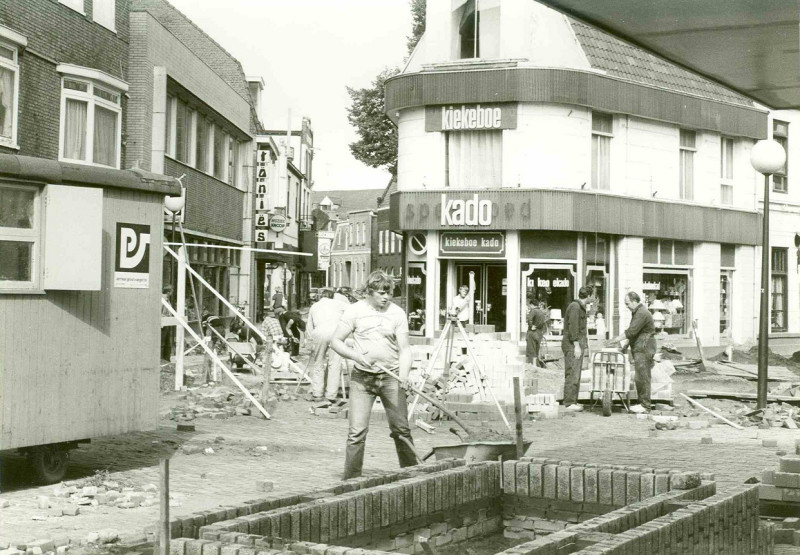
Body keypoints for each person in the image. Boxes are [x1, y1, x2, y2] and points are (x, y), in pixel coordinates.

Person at [330, 270, 417, 480]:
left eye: (388, 293)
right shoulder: (354, 311)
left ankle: (414, 476)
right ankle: (350, 481)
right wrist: (356, 357)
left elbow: (405, 349)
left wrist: (404, 375)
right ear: (369, 292)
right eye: (381, 293)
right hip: (362, 379)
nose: (386, 297)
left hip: (391, 378)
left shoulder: (397, 313)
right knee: (356, 433)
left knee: (401, 431)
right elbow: (336, 341)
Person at [609, 291, 656, 413]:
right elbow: (635, 334)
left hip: (644, 348)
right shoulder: (637, 312)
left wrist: (616, 340)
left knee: (643, 376)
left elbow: (632, 331)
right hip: (641, 347)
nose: (627, 306)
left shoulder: (641, 313)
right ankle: (642, 403)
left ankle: (645, 405)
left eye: (628, 303)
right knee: (640, 376)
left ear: (635, 301)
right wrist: (626, 345)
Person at [307, 289, 348, 404]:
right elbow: (352, 312)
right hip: (336, 332)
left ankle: (317, 393)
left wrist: (311, 341)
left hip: (319, 332)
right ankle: (331, 395)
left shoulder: (315, 306)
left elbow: (309, 326)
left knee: (318, 362)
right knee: (335, 363)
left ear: (321, 296)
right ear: (332, 296)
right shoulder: (339, 304)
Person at [561, 286, 590, 412]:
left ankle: (573, 401)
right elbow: (573, 328)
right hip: (573, 345)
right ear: (588, 296)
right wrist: (577, 345)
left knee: (576, 373)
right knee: (572, 372)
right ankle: (569, 402)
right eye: (592, 295)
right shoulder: (575, 307)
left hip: (576, 344)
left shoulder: (579, 307)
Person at [526, 299, 548, 365]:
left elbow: (529, 319)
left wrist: (531, 326)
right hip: (539, 333)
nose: (529, 306)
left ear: (532, 304)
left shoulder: (533, 311)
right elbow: (544, 323)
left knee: (531, 351)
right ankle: (536, 365)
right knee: (536, 350)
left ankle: (532, 366)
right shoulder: (541, 312)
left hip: (532, 333)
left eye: (529, 305)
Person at [161, 285, 174, 361]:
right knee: (162, 342)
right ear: (168, 292)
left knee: (167, 343)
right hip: (163, 323)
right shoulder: (162, 300)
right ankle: (161, 359)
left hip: (168, 323)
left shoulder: (167, 300)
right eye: (171, 291)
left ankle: (166, 359)